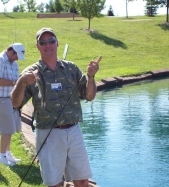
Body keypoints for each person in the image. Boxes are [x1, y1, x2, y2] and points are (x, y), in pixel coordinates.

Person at [10, 28, 101, 187]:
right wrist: (21, 82)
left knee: (82, 181)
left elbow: (89, 96)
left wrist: (91, 77)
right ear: (37, 46)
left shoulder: (71, 68)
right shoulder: (30, 73)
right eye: (42, 42)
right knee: (54, 183)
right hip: (48, 135)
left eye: (51, 41)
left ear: (57, 43)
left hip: (74, 132)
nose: (48, 45)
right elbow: (15, 103)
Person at [0, 43, 25, 166]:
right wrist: (15, 82)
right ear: (11, 51)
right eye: (16, 56)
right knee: (6, 129)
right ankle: (2, 156)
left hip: (10, 100)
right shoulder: (0, 60)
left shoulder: (13, 63)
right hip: (1, 99)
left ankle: (7, 153)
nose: (17, 59)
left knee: (11, 127)